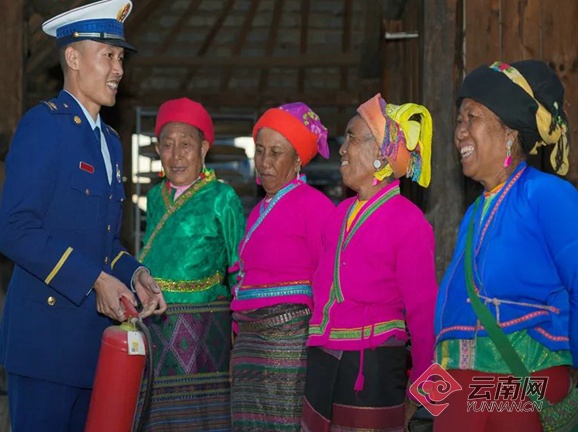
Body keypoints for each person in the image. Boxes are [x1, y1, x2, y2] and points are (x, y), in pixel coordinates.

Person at [0, 0, 166, 432]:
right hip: (44, 345)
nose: (118, 69)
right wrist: (94, 279)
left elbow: (102, 242)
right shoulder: (44, 125)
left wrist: (135, 274)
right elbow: (15, 230)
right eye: (108, 55)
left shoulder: (109, 142)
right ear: (72, 58)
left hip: (92, 347)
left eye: (121, 58)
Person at [433, 60, 578, 432]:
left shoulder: (547, 195)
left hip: (520, 381)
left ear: (510, 132)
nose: (459, 131)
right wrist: (428, 394)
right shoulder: (474, 214)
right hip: (459, 386)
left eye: (472, 117)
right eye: (459, 120)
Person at [302, 94, 437, 432]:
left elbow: (425, 315)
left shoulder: (409, 221)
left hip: (371, 369)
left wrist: (421, 397)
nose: (342, 149)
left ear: (380, 152)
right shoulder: (338, 215)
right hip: (323, 362)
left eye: (351, 138)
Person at [136, 98, 245, 431]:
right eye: (167, 145)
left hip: (204, 330)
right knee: (156, 414)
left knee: (201, 417)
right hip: (156, 324)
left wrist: (240, 335)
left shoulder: (223, 198)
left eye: (186, 144)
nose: (176, 155)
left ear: (204, 148)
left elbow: (239, 269)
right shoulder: (155, 197)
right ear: (158, 150)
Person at [230, 103, 335, 431]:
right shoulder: (258, 210)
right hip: (248, 345)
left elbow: (329, 281)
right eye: (260, 150)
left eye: (276, 153)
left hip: (288, 348)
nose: (264, 162)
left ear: (298, 159)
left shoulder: (315, 206)